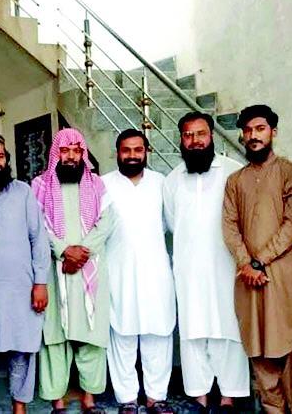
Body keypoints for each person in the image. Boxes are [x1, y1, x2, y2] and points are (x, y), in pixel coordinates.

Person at [222, 105, 292, 413]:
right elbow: (230, 226)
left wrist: (258, 261)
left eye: (260, 129)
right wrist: (245, 263)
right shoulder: (235, 181)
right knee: (259, 349)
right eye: (248, 130)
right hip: (250, 279)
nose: (253, 136)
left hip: (284, 278)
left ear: (273, 132)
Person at [163, 112, 249, 413]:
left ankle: (229, 396)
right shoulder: (173, 180)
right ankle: (198, 395)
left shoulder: (233, 171)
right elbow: (172, 222)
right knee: (193, 330)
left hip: (226, 266)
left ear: (211, 136)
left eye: (200, 134)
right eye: (188, 135)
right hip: (188, 269)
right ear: (181, 140)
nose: (195, 141)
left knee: (228, 328)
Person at [32, 128, 114, 414]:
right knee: (55, 336)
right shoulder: (40, 185)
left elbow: (106, 223)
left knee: (91, 335)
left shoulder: (97, 185)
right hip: (54, 272)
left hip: (90, 270)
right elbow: (38, 225)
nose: (70, 156)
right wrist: (63, 251)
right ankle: (57, 400)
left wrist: (81, 252)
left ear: (83, 154)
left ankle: (89, 399)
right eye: (64, 151)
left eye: (76, 151)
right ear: (56, 153)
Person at [0, 134, 50, 414]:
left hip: (21, 287)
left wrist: (40, 282)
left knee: (23, 349)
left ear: (7, 160)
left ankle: (20, 407)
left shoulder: (23, 192)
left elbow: (38, 238)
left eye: (0, 156)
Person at [101, 129, 175, 414]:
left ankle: (157, 397)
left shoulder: (161, 183)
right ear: (117, 153)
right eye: (126, 150)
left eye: (138, 150)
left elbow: (169, 224)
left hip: (156, 271)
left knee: (158, 332)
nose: (132, 155)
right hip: (117, 271)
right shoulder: (103, 184)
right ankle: (127, 399)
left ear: (146, 152)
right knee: (122, 334)